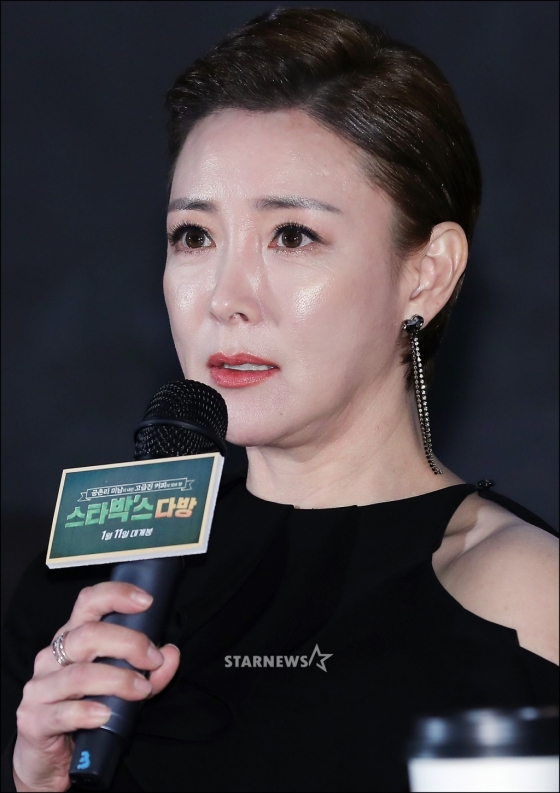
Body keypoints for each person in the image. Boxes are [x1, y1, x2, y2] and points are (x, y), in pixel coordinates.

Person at [2, 7, 558, 792]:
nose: (225, 297)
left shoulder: (517, 601)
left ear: (426, 274)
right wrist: (36, 780)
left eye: (291, 235)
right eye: (194, 236)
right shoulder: (88, 589)